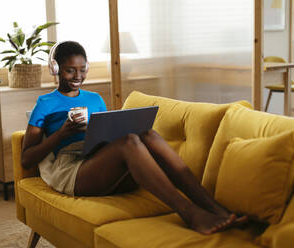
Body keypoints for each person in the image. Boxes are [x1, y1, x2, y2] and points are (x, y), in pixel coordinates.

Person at [21, 41, 247, 235]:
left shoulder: (95, 98)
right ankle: (189, 213)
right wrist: (61, 134)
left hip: (97, 158)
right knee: (130, 142)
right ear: (55, 68)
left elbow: (103, 133)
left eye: (82, 69)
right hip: (71, 170)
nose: (78, 76)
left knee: (148, 134)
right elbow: (27, 159)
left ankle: (214, 207)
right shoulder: (46, 104)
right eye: (70, 70)